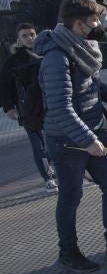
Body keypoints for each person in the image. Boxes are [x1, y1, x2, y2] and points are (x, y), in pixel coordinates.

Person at [33, 0, 107, 273]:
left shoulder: (79, 48)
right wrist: (88, 141)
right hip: (67, 141)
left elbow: (89, 81)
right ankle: (68, 253)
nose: (99, 24)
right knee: (71, 197)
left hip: (92, 132)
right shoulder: (56, 57)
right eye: (94, 19)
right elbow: (59, 107)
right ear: (78, 23)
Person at [0, 22, 57, 190]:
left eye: (31, 34)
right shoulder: (12, 61)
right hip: (26, 108)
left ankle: (53, 167)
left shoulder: (46, 53)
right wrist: (9, 107)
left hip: (49, 105)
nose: (29, 38)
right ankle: (47, 176)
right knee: (37, 144)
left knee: (54, 141)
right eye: (24, 36)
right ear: (18, 39)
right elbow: (4, 85)